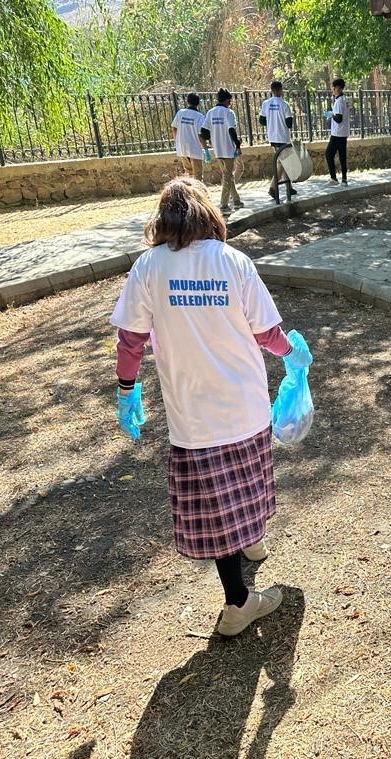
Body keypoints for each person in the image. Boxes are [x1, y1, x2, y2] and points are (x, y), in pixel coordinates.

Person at [109, 177, 313, 637]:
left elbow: (131, 341)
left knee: (219, 504)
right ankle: (240, 602)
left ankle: (249, 549)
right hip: (244, 405)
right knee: (249, 480)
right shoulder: (234, 262)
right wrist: (292, 354)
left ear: (162, 220)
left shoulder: (148, 268)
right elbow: (267, 334)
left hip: (193, 416)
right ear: (207, 214)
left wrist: (127, 390)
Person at [199, 88, 243, 213]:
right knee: (227, 177)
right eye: (230, 101)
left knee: (228, 175)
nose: (230, 103)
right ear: (226, 100)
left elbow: (204, 131)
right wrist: (237, 143)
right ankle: (224, 205)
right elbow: (231, 130)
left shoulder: (210, 112)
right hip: (228, 149)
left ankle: (236, 201)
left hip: (218, 150)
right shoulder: (229, 113)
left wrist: (212, 139)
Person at [259, 81, 295, 199]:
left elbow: (262, 121)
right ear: (280, 90)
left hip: (272, 137)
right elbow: (289, 123)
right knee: (283, 163)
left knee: (283, 161)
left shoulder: (266, 104)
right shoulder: (284, 105)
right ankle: (273, 188)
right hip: (283, 137)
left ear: (272, 90)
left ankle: (288, 187)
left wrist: (272, 120)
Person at [170, 92, 206, 179]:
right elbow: (200, 134)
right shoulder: (199, 116)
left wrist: (177, 141)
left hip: (182, 147)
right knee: (198, 176)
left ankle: (190, 192)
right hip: (194, 148)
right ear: (198, 103)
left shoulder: (180, 113)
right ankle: (197, 192)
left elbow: (174, 128)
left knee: (189, 173)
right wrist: (206, 148)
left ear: (187, 102)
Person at [325, 78, 350, 186]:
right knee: (342, 156)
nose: (333, 90)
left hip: (337, 133)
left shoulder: (339, 101)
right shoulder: (344, 99)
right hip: (342, 132)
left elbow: (338, 119)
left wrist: (331, 115)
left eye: (334, 88)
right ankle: (344, 179)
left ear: (339, 89)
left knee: (329, 154)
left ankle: (334, 178)